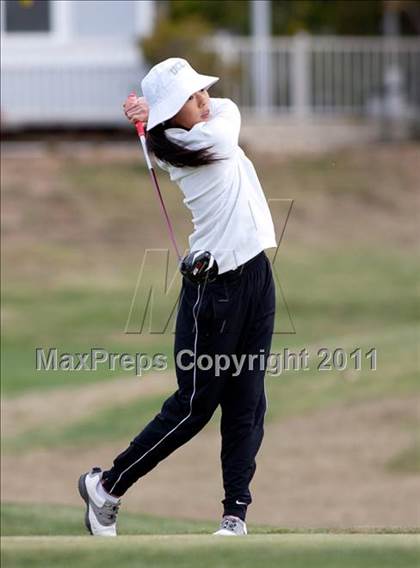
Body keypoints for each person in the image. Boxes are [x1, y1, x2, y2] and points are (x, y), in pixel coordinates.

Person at [78, 58, 277, 537]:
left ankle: (235, 516)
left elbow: (221, 106)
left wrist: (158, 108)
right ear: (173, 116)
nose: (205, 100)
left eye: (201, 92)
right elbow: (229, 116)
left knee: (248, 401)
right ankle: (106, 486)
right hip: (217, 292)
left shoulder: (183, 133)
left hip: (254, 275)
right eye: (192, 97)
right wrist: (156, 111)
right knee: (193, 407)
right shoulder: (199, 141)